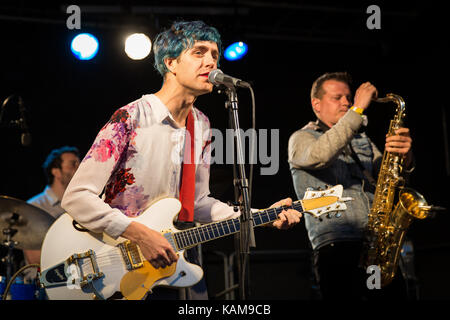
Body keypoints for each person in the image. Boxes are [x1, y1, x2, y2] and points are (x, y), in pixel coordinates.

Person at [61, 20, 302, 300]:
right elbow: (76, 196)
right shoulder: (131, 117)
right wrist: (139, 233)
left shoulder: (200, 125)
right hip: (110, 258)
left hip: (157, 270)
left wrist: (260, 217)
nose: (211, 61)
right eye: (199, 52)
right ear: (171, 63)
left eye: (214, 54)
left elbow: (198, 202)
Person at [288, 72, 414, 300]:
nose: (346, 102)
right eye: (338, 97)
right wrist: (357, 110)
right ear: (317, 104)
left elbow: (391, 178)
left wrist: (405, 157)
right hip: (337, 248)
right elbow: (321, 155)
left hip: (376, 246)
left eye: (348, 97)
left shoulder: (361, 140)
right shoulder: (302, 137)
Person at [22, 146, 80, 286]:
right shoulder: (34, 207)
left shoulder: (79, 204)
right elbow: (35, 259)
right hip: (46, 281)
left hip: (76, 274)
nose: (79, 168)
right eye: (73, 164)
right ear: (56, 172)